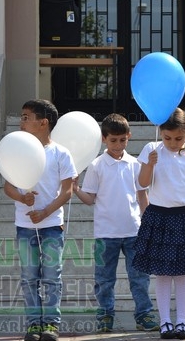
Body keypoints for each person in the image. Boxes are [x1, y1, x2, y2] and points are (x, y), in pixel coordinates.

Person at [72, 113, 158, 333]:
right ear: (104, 139)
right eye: (113, 140)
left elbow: (142, 195)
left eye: (122, 140)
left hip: (133, 231)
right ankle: (105, 315)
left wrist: (147, 222)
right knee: (104, 279)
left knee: (139, 277)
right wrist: (76, 189)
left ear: (129, 137)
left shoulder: (135, 164)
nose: (118, 145)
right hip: (105, 233)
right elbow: (90, 199)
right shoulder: (97, 165)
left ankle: (144, 314)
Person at [3, 100, 77, 341]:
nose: (21, 121)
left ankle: (51, 325)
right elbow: (8, 187)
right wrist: (22, 198)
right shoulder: (17, 150)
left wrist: (45, 212)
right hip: (25, 226)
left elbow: (67, 190)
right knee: (29, 276)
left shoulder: (61, 153)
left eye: (26, 117)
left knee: (52, 276)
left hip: (52, 225)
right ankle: (34, 324)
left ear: (43, 122)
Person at [133, 108, 185, 340]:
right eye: (167, 138)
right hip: (159, 217)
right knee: (163, 273)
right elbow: (142, 183)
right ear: (160, 132)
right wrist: (149, 165)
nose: (172, 143)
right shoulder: (151, 149)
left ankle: (181, 322)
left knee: (184, 273)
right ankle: (165, 321)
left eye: (178, 138)